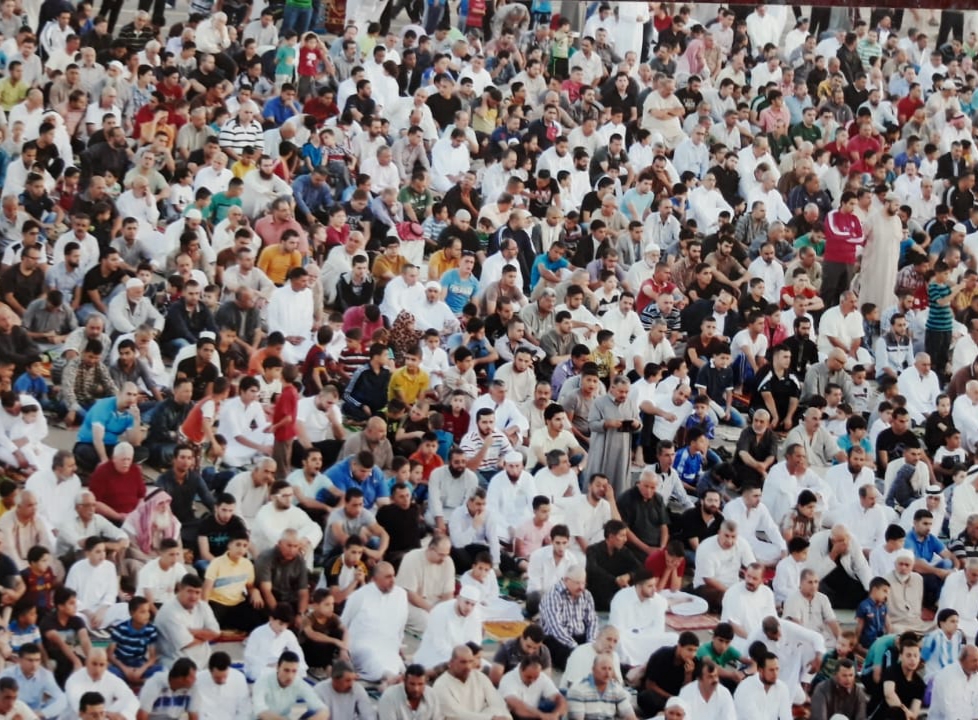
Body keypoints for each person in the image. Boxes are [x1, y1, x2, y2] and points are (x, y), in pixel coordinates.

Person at [251, 651, 328, 720]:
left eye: (294, 671)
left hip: (287, 716)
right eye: (286, 670)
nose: (290, 676)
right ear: (277, 667)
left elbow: (323, 709)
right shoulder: (263, 681)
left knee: (305, 707)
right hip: (264, 718)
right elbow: (260, 710)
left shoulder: (298, 682)